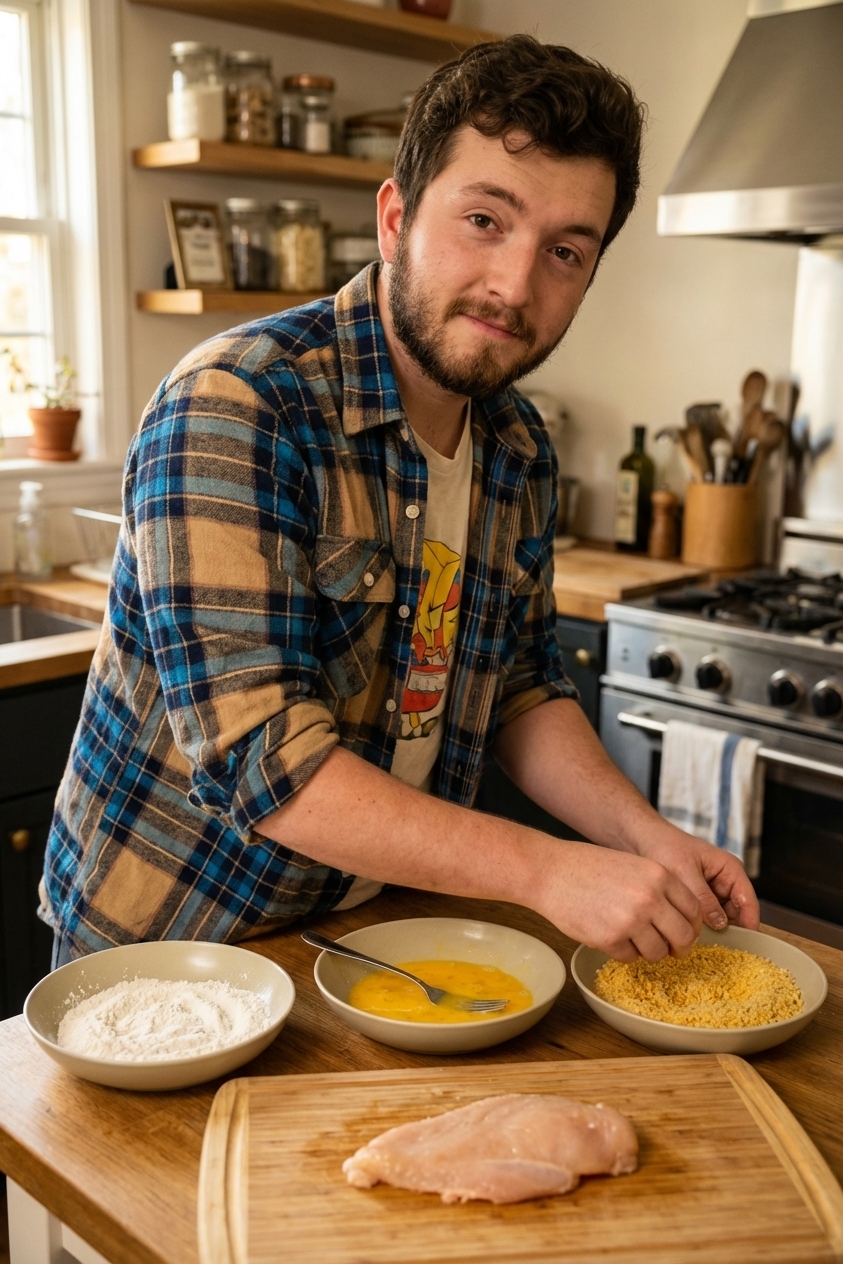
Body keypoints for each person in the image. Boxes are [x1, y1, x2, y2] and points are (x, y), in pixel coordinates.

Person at [42, 34, 759, 968]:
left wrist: (642, 837)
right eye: (484, 221)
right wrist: (548, 872)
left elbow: (522, 688)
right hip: (171, 951)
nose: (514, 285)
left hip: (369, 937)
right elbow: (268, 766)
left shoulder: (519, 445)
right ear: (394, 220)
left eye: (566, 251)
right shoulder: (237, 403)